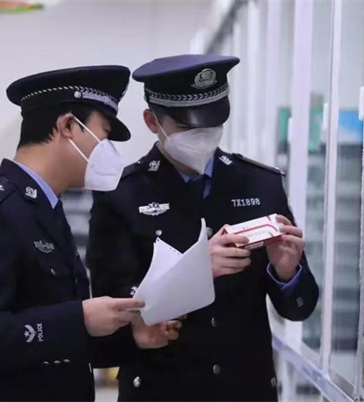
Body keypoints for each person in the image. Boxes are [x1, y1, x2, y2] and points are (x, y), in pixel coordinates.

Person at [0, 66, 179, 402]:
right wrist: (79, 319)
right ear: (68, 127)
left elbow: (54, 344)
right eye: (104, 136)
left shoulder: (46, 211)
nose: (109, 151)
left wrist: (131, 335)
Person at [86, 54, 319, 401]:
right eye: (187, 127)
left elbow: (299, 308)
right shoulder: (122, 195)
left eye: (211, 125)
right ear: (152, 121)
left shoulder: (260, 184)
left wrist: (287, 274)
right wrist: (195, 270)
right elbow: (114, 309)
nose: (203, 137)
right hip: (163, 389)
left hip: (245, 390)